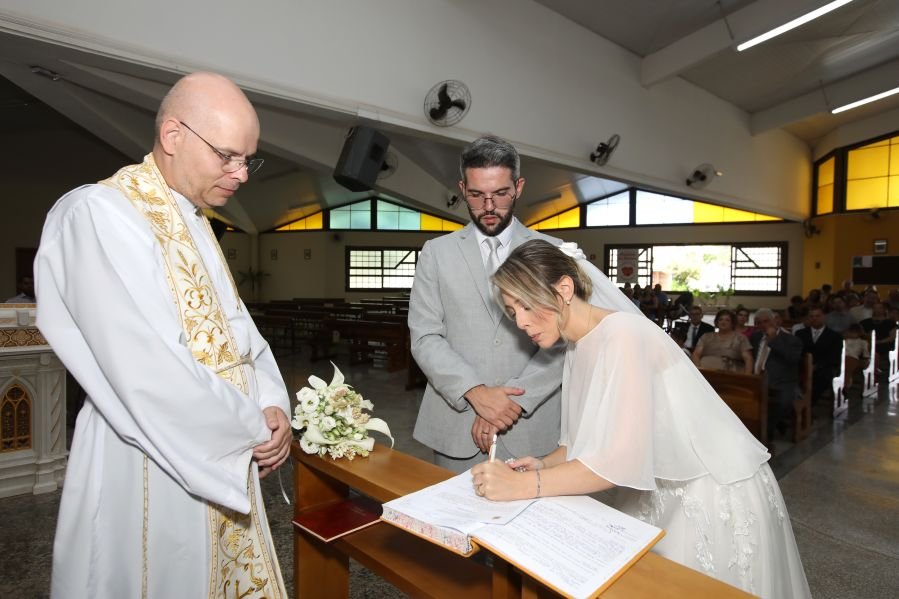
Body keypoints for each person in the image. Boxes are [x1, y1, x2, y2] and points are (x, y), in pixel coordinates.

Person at [35, 73, 290, 599]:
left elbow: (241, 333)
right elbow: (143, 364)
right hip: (147, 454)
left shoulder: (196, 222)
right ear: (174, 135)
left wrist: (272, 404)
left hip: (224, 436)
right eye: (228, 156)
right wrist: (248, 422)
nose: (241, 174)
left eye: (248, 159)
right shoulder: (100, 212)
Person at [472, 240, 811, 598]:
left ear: (564, 289)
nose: (521, 321)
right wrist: (539, 465)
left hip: (708, 487)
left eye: (526, 304)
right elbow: (576, 444)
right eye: (512, 311)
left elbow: (617, 462)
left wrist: (523, 487)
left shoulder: (623, 334)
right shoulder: (577, 346)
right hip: (661, 484)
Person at [408, 135, 564, 473]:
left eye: (500, 194)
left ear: (518, 187)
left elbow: (565, 342)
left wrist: (508, 404)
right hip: (458, 424)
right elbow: (425, 336)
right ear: (462, 188)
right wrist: (476, 392)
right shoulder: (436, 252)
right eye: (477, 195)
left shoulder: (553, 250)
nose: (489, 207)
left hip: (533, 427)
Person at [750, 308, 803, 439]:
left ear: (775, 321)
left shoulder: (791, 340)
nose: (763, 325)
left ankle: (766, 435)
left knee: (783, 402)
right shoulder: (755, 337)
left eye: (766, 321)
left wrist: (774, 340)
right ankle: (755, 430)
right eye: (759, 322)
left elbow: (793, 359)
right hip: (757, 379)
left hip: (783, 382)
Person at [796, 306, 843, 406]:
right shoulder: (800, 333)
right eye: (812, 316)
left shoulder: (834, 336)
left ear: (824, 317)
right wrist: (806, 365)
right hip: (803, 366)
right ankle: (796, 405)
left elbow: (834, 356)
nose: (814, 318)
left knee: (821, 379)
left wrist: (817, 366)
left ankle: (806, 406)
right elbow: (797, 352)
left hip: (823, 367)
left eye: (817, 316)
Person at [691, 309, 753, 373]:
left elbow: (748, 359)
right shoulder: (706, 336)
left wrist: (747, 376)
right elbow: (696, 354)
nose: (723, 322)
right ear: (716, 322)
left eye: (727, 320)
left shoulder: (741, 338)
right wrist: (698, 371)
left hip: (731, 374)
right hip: (705, 372)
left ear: (732, 323)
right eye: (720, 319)